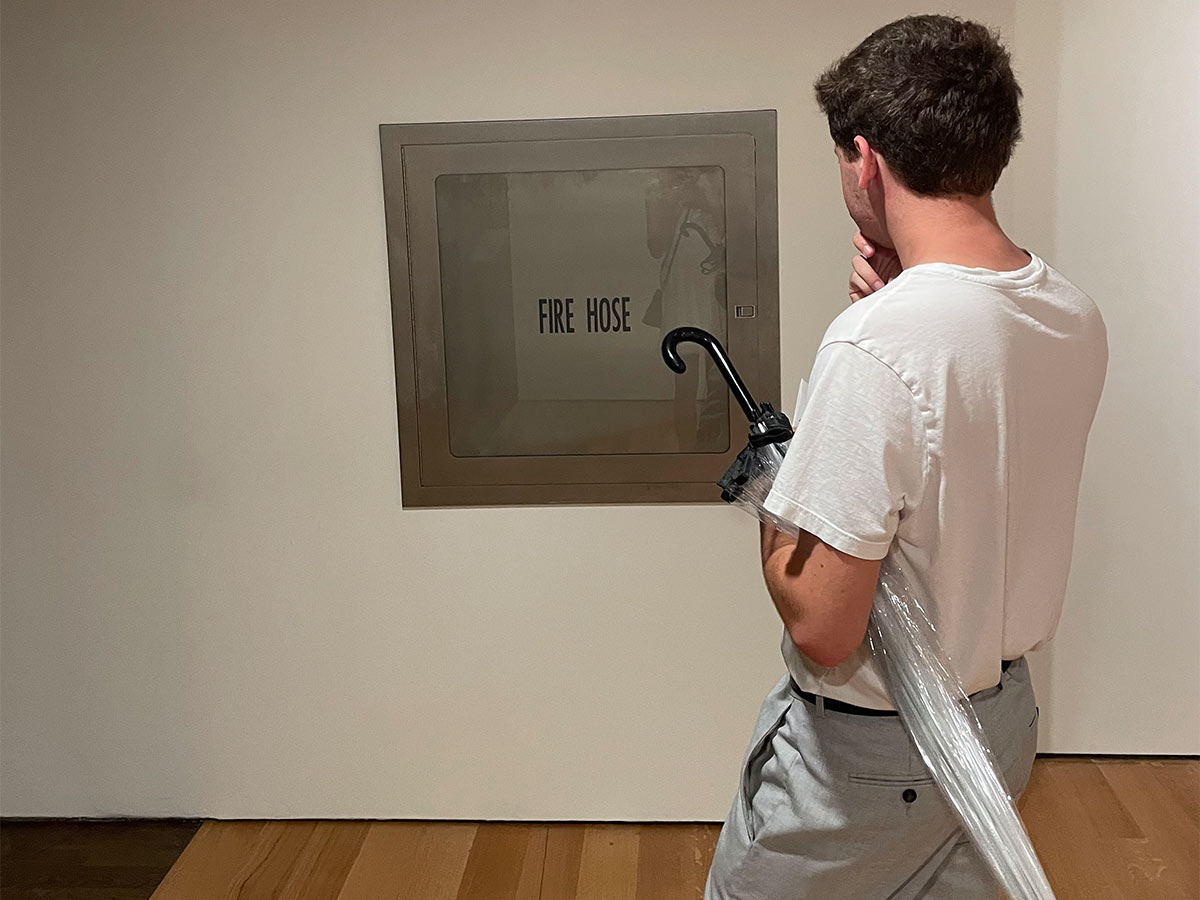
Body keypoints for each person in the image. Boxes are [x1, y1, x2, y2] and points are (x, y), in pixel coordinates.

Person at [705, 15, 1108, 900]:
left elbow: (824, 623)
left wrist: (773, 493)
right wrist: (900, 305)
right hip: (999, 724)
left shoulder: (876, 346)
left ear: (865, 160)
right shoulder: (1070, 314)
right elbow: (968, 440)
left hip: (869, 761)